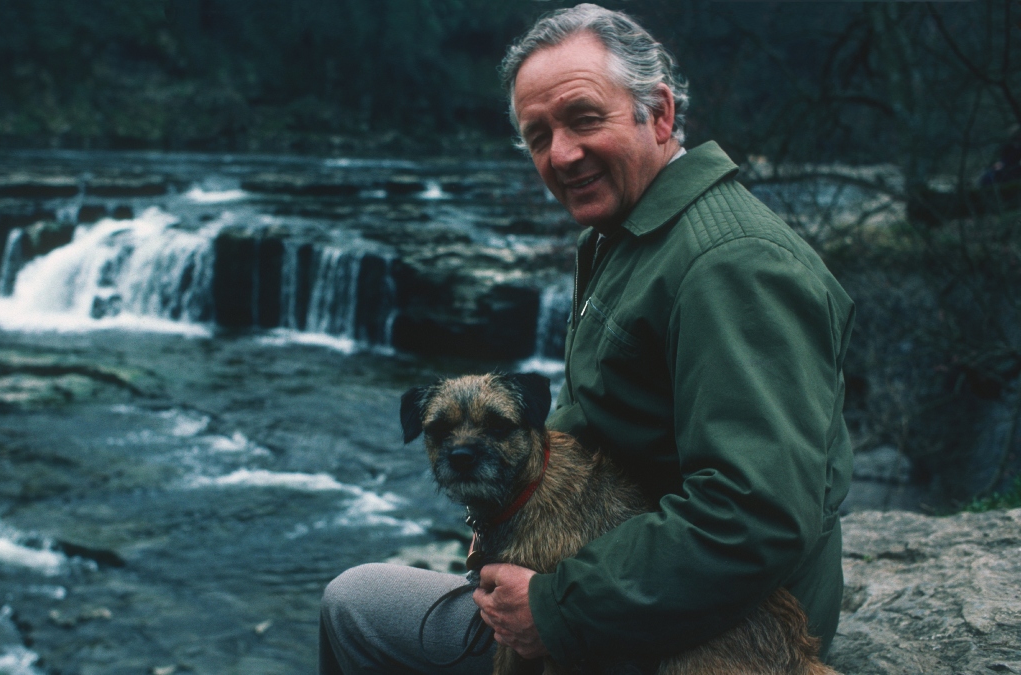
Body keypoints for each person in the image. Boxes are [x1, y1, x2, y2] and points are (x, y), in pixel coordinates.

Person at [319, 4, 853, 673]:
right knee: (353, 600)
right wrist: (507, 513)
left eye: (582, 118)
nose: (561, 154)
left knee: (355, 606)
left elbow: (755, 515)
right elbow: (602, 416)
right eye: (538, 134)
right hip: (618, 588)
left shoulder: (733, 264)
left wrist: (555, 605)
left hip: (704, 634)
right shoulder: (627, 235)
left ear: (658, 114)